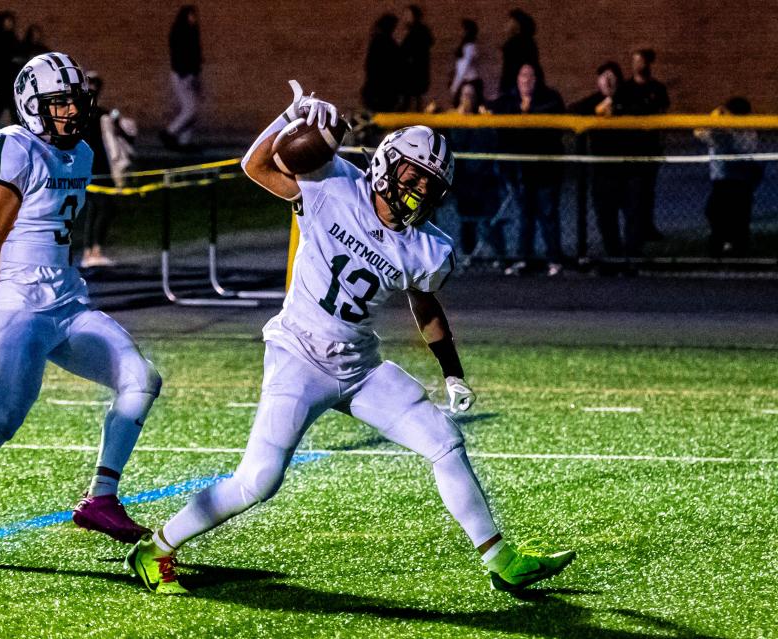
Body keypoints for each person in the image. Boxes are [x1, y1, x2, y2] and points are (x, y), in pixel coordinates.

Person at [124, 80, 576, 595]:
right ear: (385, 165)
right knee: (258, 482)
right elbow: (255, 166)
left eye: (430, 186)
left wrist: (451, 372)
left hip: (359, 366)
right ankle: (156, 546)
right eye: (413, 177)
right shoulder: (332, 183)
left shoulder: (428, 248)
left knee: (445, 443)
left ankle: (500, 560)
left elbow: (424, 306)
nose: (419, 192)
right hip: (298, 354)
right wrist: (287, 117)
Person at [0, 52, 162, 563]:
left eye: (75, 101)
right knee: (0, 417)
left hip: (66, 300)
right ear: (30, 104)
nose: (70, 111)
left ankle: (101, 499)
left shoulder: (81, 153)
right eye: (58, 102)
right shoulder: (11, 148)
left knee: (142, 379)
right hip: (17, 305)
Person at [491, 63, 565, 275]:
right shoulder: (510, 100)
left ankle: (554, 259)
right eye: (523, 75)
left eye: (531, 76)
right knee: (525, 215)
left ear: (537, 78)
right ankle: (524, 258)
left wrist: (528, 113)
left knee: (548, 214)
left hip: (545, 169)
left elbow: (555, 117)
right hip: (521, 170)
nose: (526, 80)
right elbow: (495, 109)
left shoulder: (549, 98)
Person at [570, 62, 643, 258]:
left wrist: (617, 107)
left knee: (633, 216)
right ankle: (614, 256)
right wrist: (597, 111)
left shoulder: (629, 99)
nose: (608, 81)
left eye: (611, 77)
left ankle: (632, 258)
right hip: (603, 171)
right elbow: (573, 111)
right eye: (604, 77)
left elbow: (641, 111)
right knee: (606, 217)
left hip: (628, 169)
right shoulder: (594, 101)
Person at [438, 80, 503, 256]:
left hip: (482, 176)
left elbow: (491, 143)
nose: (468, 99)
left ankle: (499, 254)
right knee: (466, 220)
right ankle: (469, 254)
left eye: (471, 96)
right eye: (465, 95)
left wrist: (485, 122)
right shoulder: (451, 118)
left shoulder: (482, 119)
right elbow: (454, 143)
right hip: (461, 177)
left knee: (489, 216)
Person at [695, 97, 761, 257]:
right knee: (728, 215)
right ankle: (732, 246)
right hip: (732, 180)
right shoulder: (741, 131)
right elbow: (700, 133)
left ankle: (729, 248)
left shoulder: (736, 133)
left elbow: (703, 133)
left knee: (721, 214)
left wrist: (716, 118)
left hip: (730, 180)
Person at [622, 48, 670, 242]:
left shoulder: (657, 88)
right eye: (634, 61)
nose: (637, 65)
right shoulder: (626, 88)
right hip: (631, 146)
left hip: (650, 145)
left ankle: (647, 227)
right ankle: (634, 228)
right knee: (633, 190)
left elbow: (662, 109)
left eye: (640, 61)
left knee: (648, 190)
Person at [81, 71, 117, 268]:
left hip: (98, 165)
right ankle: (93, 251)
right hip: (93, 167)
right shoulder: (86, 113)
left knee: (95, 208)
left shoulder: (97, 113)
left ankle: (91, 252)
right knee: (104, 207)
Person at [161, 5, 202, 151]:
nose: (194, 19)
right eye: (191, 15)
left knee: (191, 109)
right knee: (190, 109)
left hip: (188, 75)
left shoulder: (191, 33)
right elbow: (181, 56)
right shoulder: (181, 33)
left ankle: (185, 141)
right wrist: (186, 73)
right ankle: (170, 132)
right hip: (182, 75)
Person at [361, 13, 401, 113]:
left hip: (375, 89)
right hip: (385, 91)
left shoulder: (377, 41)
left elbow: (368, 65)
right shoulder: (389, 43)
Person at [399, 5, 433, 112]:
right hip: (415, 75)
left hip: (414, 75)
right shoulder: (418, 31)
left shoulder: (417, 32)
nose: (405, 18)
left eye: (408, 15)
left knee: (410, 102)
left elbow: (407, 51)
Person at [499, 9, 540, 95]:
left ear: (517, 25)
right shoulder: (529, 42)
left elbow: (510, 70)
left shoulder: (515, 44)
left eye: (510, 21)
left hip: (516, 88)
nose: (506, 24)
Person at [449, 19, 480, 109]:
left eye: (462, 29)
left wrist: (455, 86)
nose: (460, 32)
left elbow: (463, 68)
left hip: (468, 82)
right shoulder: (470, 46)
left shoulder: (469, 47)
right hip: (468, 80)